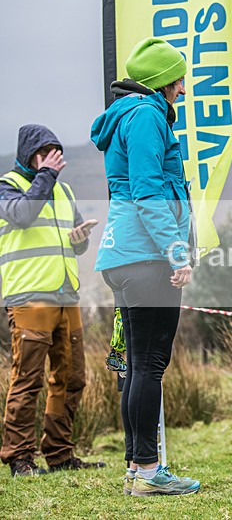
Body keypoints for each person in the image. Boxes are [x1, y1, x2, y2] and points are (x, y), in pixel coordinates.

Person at [90, 37, 199, 497]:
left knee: (136, 365)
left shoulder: (128, 116)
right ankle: (150, 471)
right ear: (160, 80)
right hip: (145, 256)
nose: (183, 88)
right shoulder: (147, 116)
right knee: (149, 364)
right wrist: (176, 250)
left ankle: (137, 469)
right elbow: (148, 190)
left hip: (122, 255)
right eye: (178, 79)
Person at [0, 124, 105, 476]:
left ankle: (60, 455)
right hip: (29, 297)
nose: (54, 160)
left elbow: (75, 243)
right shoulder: (7, 187)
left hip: (66, 294)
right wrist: (46, 174)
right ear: (29, 154)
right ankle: (19, 458)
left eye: (57, 153)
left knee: (73, 377)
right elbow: (23, 215)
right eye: (46, 153)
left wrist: (79, 239)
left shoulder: (64, 191)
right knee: (27, 379)